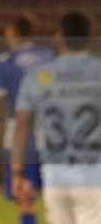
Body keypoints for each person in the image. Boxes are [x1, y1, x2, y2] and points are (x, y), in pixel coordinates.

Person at [12, 11, 101, 224]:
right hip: (93, 176)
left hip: (55, 177)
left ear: (58, 36)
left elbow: (22, 126)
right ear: (91, 34)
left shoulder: (37, 76)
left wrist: (18, 172)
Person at [0, 14, 54, 224]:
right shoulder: (50, 58)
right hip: (52, 133)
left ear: (10, 32)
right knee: (57, 194)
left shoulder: (3, 63)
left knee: (25, 195)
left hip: (18, 136)